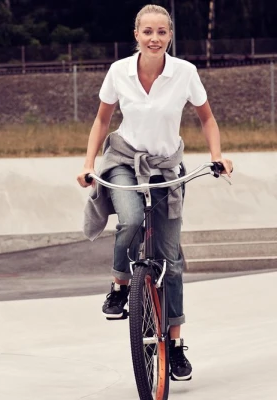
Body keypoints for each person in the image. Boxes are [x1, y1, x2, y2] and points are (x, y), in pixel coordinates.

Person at [77, 4, 233, 382]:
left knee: (171, 261)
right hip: (124, 160)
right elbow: (102, 119)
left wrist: (217, 156)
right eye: (147, 31)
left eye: (162, 32)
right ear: (136, 35)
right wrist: (88, 164)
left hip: (166, 167)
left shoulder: (185, 73)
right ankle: (120, 285)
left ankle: (175, 346)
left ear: (170, 36)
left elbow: (207, 118)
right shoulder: (119, 71)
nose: (154, 38)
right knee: (130, 219)